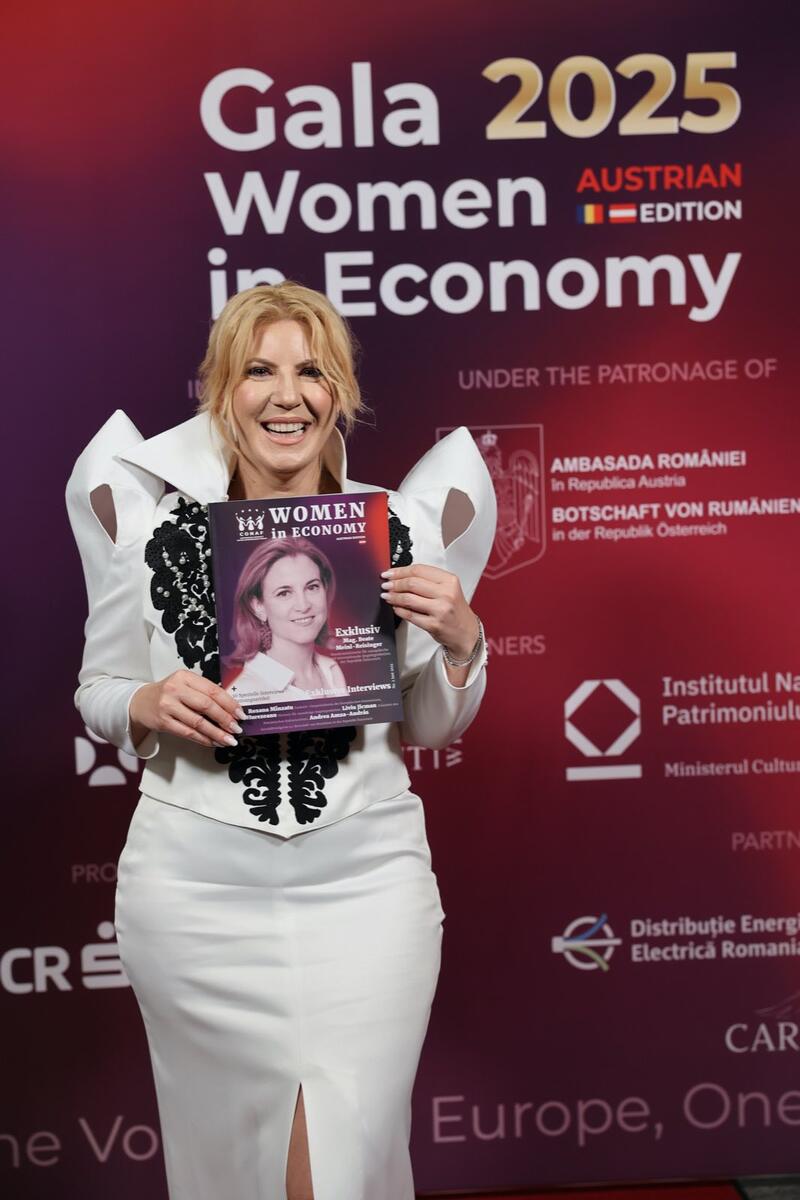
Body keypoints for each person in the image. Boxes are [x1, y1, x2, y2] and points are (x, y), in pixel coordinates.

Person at [66, 281, 496, 1200]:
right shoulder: (154, 531)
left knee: (343, 1163)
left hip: (367, 889)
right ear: (223, 391)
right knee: (232, 1169)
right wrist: (147, 701)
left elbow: (431, 723)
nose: (286, 395)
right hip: (196, 897)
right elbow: (97, 690)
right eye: (259, 370)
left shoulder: (399, 527)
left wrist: (464, 644)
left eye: (311, 372)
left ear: (340, 394)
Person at [224, 537, 349, 704]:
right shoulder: (242, 695)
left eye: (312, 587)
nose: (303, 605)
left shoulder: (331, 670)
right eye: (284, 593)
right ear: (258, 606)